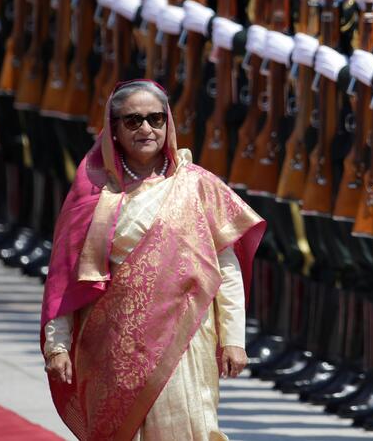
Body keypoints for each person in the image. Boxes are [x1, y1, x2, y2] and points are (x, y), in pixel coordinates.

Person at [40, 79, 265, 440]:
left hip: (183, 339)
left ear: (168, 123)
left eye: (156, 119)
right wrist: (58, 344)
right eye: (133, 121)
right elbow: (66, 279)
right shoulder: (93, 193)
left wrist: (234, 338)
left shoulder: (197, 185)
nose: (146, 128)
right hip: (112, 343)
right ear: (113, 129)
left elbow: (227, 269)